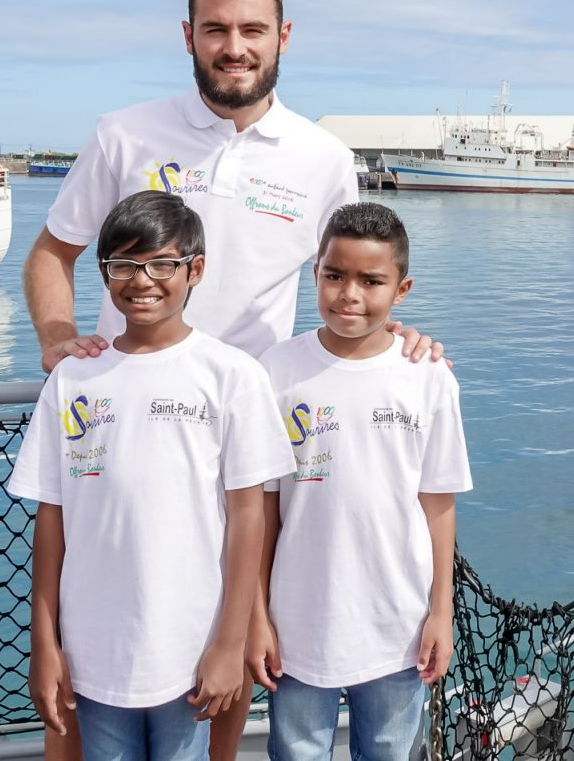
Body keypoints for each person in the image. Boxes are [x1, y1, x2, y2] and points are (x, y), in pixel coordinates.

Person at [22, 0, 444, 760]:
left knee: (226, 662)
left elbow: (355, 275)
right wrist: (54, 340)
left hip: (246, 436)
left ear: (283, 37)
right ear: (188, 35)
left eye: (252, 29)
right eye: (216, 29)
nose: (234, 46)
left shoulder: (322, 157)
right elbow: (50, 256)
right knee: (82, 664)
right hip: (119, 422)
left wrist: (404, 340)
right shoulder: (123, 134)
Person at [8, 191, 295, 760]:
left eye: (162, 264)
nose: (142, 281)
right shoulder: (73, 380)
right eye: (123, 265)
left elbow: (247, 518)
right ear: (104, 273)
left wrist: (229, 642)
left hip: (192, 649)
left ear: (195, 270)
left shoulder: (232, 375)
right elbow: (51, 519)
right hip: (93, 655)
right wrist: (46, 642)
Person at [250, 203, 472, 761]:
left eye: (371, 280)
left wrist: (439, 612)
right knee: (296, 752)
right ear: (316, 274)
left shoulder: (429, 379)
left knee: (390, 752)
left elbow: (437, 504)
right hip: (297, 619)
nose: (349, 294)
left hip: (398, 622)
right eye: (334, 275)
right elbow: (263, 511)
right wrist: (258, 615)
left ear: (402, 288)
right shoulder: (275, 372)